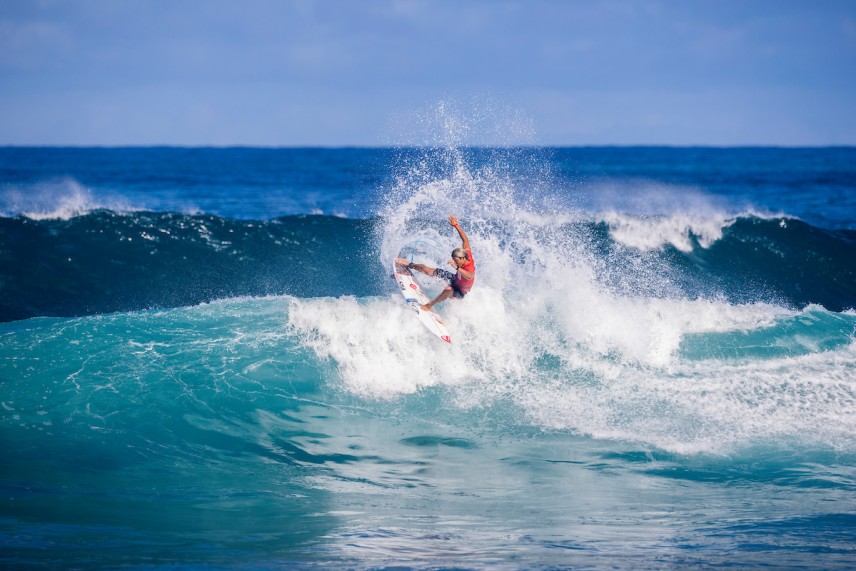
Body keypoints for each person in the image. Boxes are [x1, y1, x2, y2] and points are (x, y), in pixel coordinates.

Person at [396, 215, 475, 311]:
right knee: (427, 270)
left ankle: (430, 305)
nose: (455, 262)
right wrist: (456, 226)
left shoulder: (469, 267)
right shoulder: (466, 253)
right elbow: (465, 240)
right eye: (454, 260)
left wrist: (457, 268)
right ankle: (409, 265)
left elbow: (469, 276)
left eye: (456, 261)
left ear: (463, 258)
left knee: (447, 290)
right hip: (454, 279)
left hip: (460, 291)